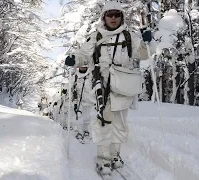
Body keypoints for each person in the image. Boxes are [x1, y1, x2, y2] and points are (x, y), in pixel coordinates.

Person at [64, 1, 155, 176]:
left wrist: (147, 42)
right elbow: (84, 55)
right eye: (109, 14)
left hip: (123, 86)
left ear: (121, 16)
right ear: (104, 17)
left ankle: (115, 155)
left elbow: (143, 54)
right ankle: (103, 158)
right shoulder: (96, 36)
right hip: (103, 86)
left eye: (116, 14)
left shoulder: (129, 36)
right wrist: (74, 60)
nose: (113, 18)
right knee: (104, 122)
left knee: (120, 124)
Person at [72, 65, 95, 143]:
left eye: (84, 67)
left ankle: (85, 131)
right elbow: (73, 88)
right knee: (79, 117)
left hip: (89, 100)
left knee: (87, 117)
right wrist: (75, 100)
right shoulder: (76, 76)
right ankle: (79, 132)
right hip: (79, 100)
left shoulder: (90, 75)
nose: (83, 68)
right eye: (81, 67)